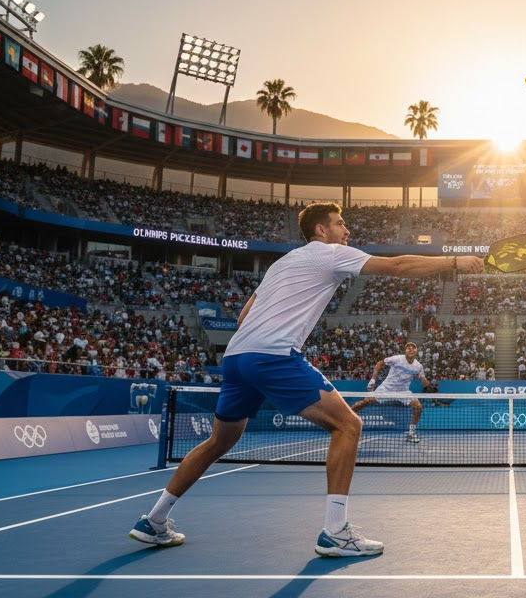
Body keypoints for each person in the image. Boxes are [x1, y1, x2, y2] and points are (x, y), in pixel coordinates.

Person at [129, 201, 483, 556]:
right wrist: (452, 261)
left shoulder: (280, 264)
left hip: (237, 357)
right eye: (340, 224)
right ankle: (335, 531)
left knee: (217, 444)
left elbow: (243, 318)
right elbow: (398, 265)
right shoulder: (330, 254)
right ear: (321, 231)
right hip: (273, 356)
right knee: (348, 426)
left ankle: (154, 520)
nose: (347, 231)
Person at [351, 342, 429, 443]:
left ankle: (411, 433)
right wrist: (373, 379)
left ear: (416, 351)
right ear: (405, 351)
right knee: (366, 401)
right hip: (387, 389)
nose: (410, 349)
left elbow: (425, 383)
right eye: (408, 348)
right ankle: (345, 417)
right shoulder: (397, 359)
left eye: (413, 348)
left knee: (418, 407)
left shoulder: (418, 366)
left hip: (403, 391)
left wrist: (423, 379)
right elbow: (380, 363)